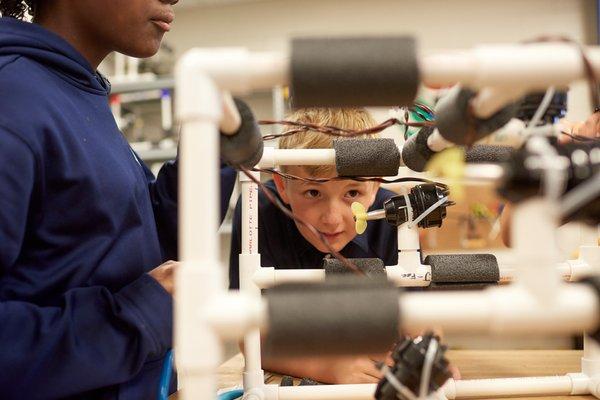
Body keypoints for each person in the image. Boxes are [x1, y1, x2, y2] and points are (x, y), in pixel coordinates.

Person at [0, 1, 235, 398]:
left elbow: (127, 249)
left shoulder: (72, 89)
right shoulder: (13, 100)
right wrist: (137, 317)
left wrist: (213, 153)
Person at [229, 108, 400, 383]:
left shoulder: (394, 216)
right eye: (313, 192)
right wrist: (330, 368)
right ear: (283, 188)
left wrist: (427, 357)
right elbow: (247, 337)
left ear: (376, 185)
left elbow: (420, 321)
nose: (332, 219)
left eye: (352, 193)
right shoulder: (256, 211)